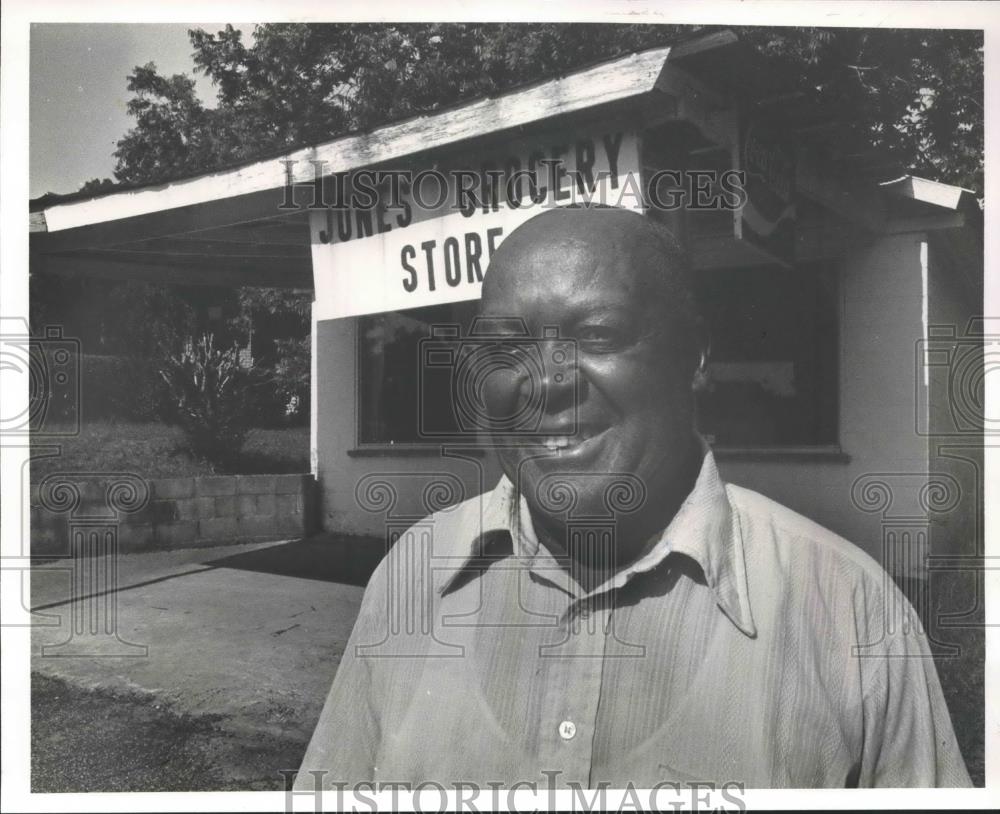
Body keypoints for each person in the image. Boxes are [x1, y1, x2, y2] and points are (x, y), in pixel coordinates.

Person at [296, 206, 971, 789]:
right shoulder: (415, 574)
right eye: (507, 346)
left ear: (695, 356)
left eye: (597, 336)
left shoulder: (850, 609)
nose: (545, 382)